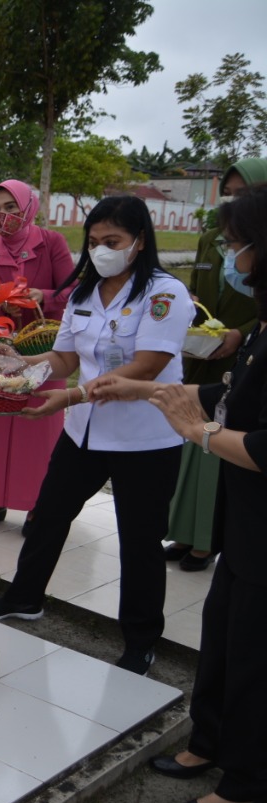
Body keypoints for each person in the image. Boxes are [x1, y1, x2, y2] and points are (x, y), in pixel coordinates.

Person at [89, 185, 267, 803]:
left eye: (236, 243)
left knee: (254, 652)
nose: (229, 255)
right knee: (221, 633)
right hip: (244, 518)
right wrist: (167, 391)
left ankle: (247, 780)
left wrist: (201, 432)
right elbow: (237, 383)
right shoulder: (263, 318)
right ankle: (210, 741)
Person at [0, 196, 195, 676]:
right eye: (93, 242)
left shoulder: (164, 294)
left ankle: (140, 638)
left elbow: (146, 367)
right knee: (49, 515)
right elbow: (66, 359)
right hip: (84, 434)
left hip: (144, 440)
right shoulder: (82, 294)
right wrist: (13, 363)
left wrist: (69, 398)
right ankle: (24, 597)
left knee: (139, 541)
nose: (101, 251)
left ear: (139, 242)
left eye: (112, 242)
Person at [162, 158, 265, 571]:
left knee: (217, 449)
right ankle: (186, 533)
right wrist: (191, 330)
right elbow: (195, 294)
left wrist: (239, 334)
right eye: (231, 195)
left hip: (242, 363)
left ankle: (206, 541)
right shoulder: (211, 241)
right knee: (191, 457)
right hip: (203, 361)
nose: (232, 254)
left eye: (246, 196)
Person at [0, 180, 74, 532]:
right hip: (2, 345)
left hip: (44, 348)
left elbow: (71, 289)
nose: (3, 216)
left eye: (10, 207)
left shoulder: (51, 242)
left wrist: (41, 297)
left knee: (38, 423)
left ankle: (36, 503)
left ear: (28, 207)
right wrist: (2, 304)